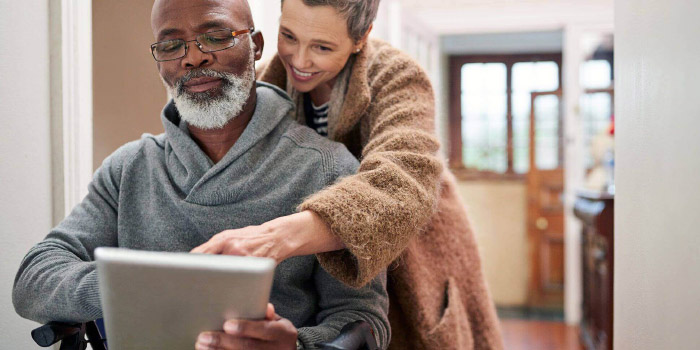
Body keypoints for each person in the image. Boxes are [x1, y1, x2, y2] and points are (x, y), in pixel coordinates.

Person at [12, 0, 390, 349]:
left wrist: (295, 346)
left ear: (256, 46)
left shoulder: (328, 168)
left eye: (216, 36)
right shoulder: (129, 167)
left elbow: (364, 320)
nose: (192, 57)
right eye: (171, 45)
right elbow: (34, 280)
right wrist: (147, 285)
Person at [192, 0, 504, 348]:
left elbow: (404, 182)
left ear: (362, 37)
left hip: (413, 260)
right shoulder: (267, 80)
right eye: (289, 36)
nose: (300, 59)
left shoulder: (399, 77)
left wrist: (277, 237)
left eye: (323, 47)